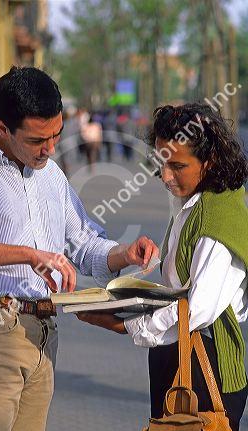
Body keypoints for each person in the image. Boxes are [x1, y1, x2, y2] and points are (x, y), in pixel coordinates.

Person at [0, 66, 159, 431]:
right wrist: (28, 254)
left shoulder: (51, 174)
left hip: (44, 334)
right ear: (3, 128)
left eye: (56, 135)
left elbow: (84, 243)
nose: (51, 149)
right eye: (38, 140)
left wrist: (125, 253)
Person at [77, 103, 248, 431]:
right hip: (178, 353)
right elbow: (182, 280)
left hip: (206, 365)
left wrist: (125, 326)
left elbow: (198, 307)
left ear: (209, 162)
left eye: (178, 166)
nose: (166, 176)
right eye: (161, 162)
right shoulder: (193, 201)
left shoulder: (220, 215)